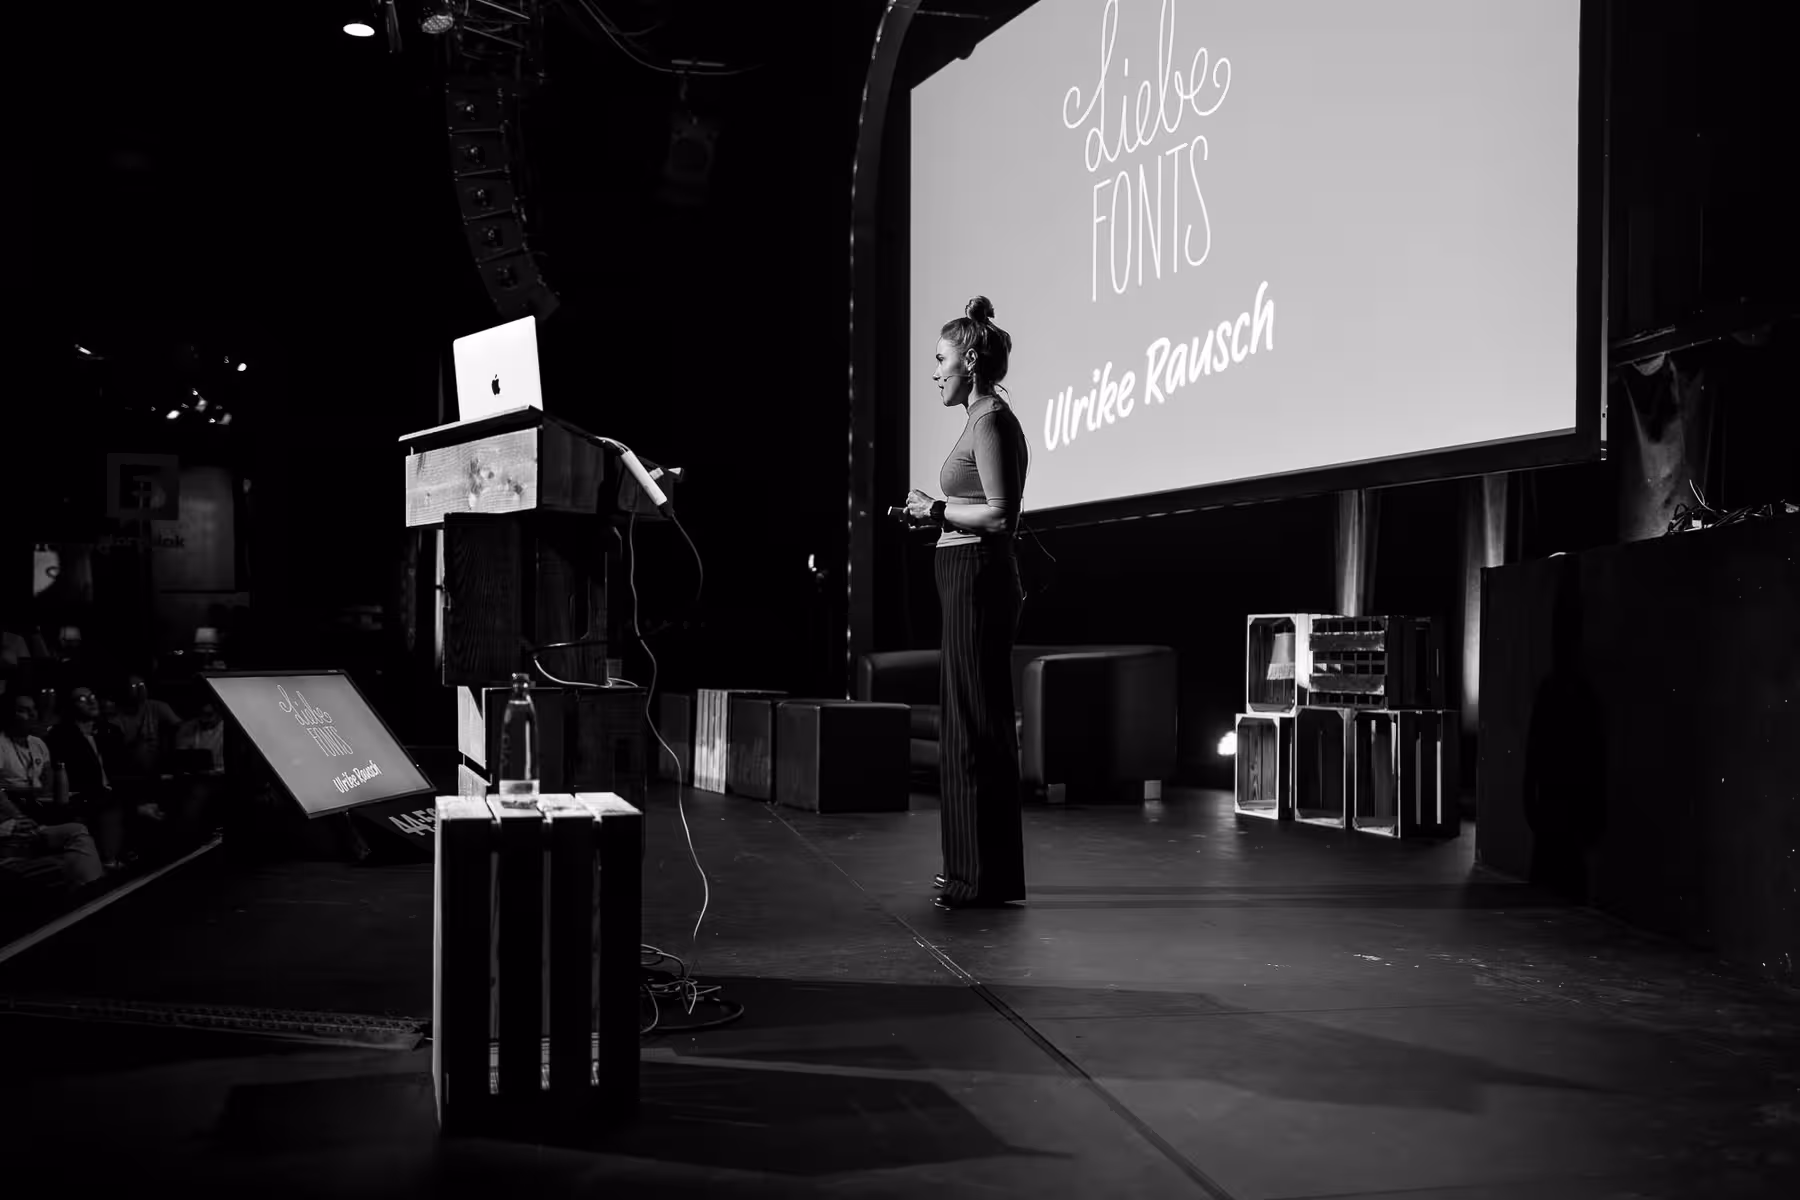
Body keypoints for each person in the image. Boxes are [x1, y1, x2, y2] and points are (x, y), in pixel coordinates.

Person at [902, 295, 1031, 910]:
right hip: (963, 572)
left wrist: (936, 510)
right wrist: (933, 514)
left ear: (970, 359)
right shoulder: (979, 418)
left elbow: (1002, 516)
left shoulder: (991, 421)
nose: (934, 372)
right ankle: (970, 867)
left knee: (976, 724)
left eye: (940, 359)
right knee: (964, 721)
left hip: (978, 575)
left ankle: (981, 876)